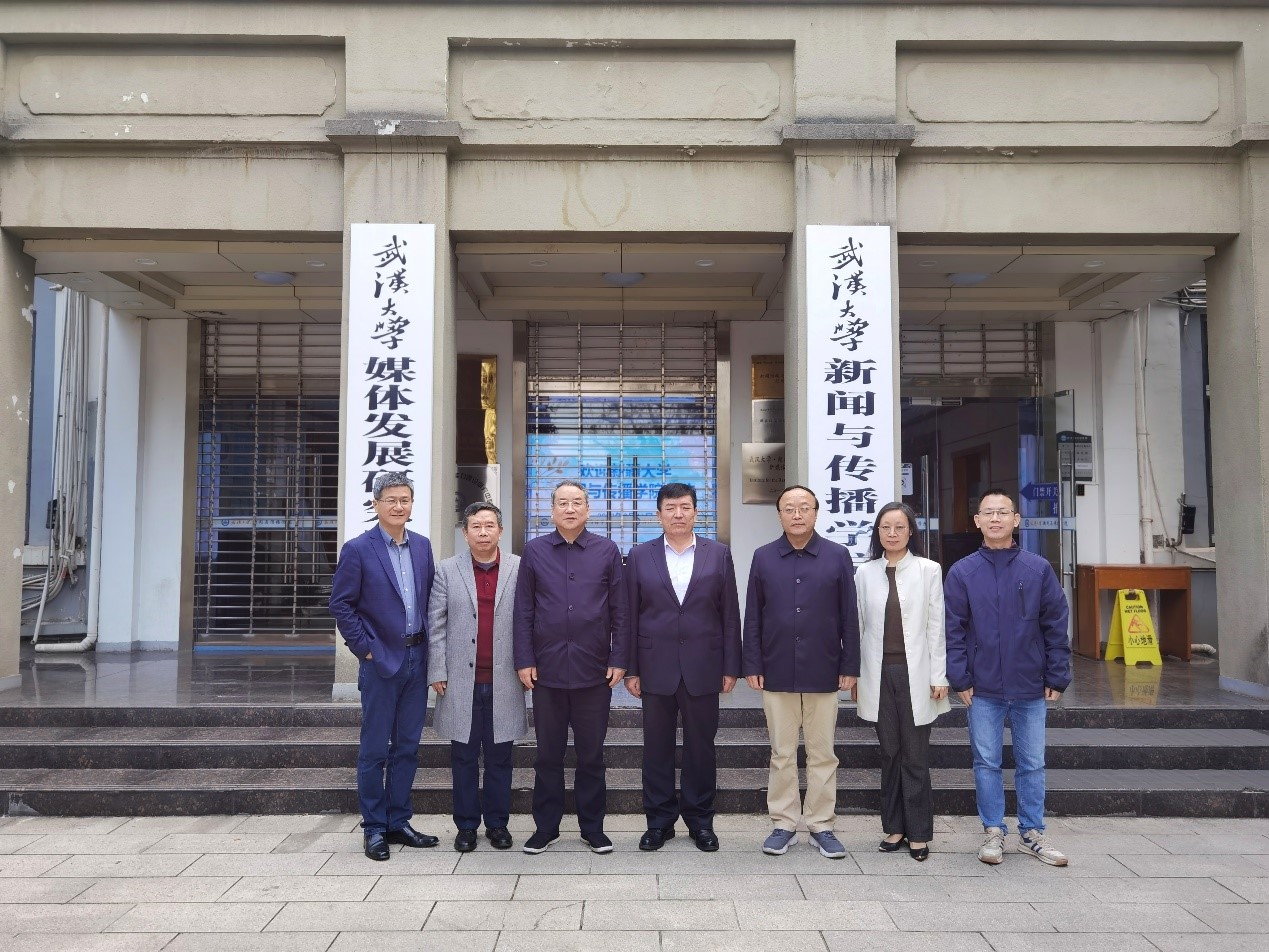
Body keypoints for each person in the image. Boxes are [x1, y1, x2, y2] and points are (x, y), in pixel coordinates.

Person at [945, 488, 1072, 867]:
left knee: (1032, 762)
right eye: (988, 513)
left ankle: (1032, 833)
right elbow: (952, 629)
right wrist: (959, 678)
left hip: (1030, 684)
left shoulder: (1037, 569)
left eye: (1003, 512)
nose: (996, 518)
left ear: (1016, 519)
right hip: (982, 687)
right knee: (986, 763)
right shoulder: (963, 572)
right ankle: (993, 831)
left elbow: (1055, 624)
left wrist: (1057, 674)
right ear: (977, 521)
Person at [742, 485, 859, 859]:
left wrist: (850, 665)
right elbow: (753, 615)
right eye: (789, 508)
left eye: (804, 507)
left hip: (824, 668)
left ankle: (822, 825)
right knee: (782, 752)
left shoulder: (837, 556)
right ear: (779, 514)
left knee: (823, 753)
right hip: (776, 668)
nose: (797, 514)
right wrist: (752, 663)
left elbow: (849, 615)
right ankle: (784, 823)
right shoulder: (763, 557)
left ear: (816, 513)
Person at [329, 471, 440, 861]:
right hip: (380, 662)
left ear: (412, 504)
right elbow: (341, 604)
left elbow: (430, 601)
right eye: (390, 499)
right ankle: (374, 827)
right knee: (375, 749)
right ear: (375, 504)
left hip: (417, 658)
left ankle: (399, 821)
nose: (398, 506)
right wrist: (366, 649)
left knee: (408, 747)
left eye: (404, 499)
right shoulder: (359, 549)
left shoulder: (422, 547)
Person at [624, 483, 742, 852]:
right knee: (656, 749)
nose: (678, 513)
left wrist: (731, 666)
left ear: (696, 512)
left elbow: (729, 613)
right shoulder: (639, 555)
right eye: (671, 507)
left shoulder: (718, 554)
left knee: (701, 748)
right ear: (658, 515)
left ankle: (700, 822)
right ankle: (658, 823)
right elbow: (629, 615)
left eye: (685, 506)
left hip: (704, 665)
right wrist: (631, 668)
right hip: (654, 666)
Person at [514, 479, 629, 854]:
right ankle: (545, 828)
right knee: (547, 755)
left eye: (577, 502)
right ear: (551, 511)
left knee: (591, 755)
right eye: (562, 502)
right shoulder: (534, 551)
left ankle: (592, 828)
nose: (570, 508)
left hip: (593, 671)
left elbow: (620, 610)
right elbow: (524, 610)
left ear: (588, 510)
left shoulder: (607, 550)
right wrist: (524, 659)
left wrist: (619, 658)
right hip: (546, 672)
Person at [854, 502, 950, 862]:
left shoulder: (929, 570)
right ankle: (894, 827)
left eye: (899, 527)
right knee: (889, 752)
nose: (892, 533)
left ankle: (919, 832)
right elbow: (858, 627)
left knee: (915, 754)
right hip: (877, 674)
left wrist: (939, 675)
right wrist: (855, 674)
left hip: (917, 674)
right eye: (885, 527)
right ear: (877, 533)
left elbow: (936, 626)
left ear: (911, 531)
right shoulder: (865, 573)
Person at [427, 502, 526, 853]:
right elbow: (436, 624)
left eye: (489, 526)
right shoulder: (447, 569)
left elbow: (530, 619)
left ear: (500, 530)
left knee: (500, 757)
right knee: (464, 758)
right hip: (460, 682)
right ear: (465, 532)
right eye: (476, 526)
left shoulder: (519, 568)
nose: (483, 532)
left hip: (505, 680)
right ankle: (467, 826)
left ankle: (498, 824)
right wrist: (437, 669)